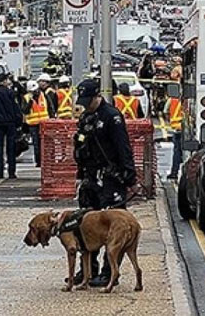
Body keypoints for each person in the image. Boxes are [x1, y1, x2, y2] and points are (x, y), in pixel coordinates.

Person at [73, 79, 137, 287]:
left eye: (88, 100)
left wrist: (129, 175)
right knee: (86, 225)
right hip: (90, 178)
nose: (85, 105)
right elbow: (81, 147)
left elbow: (123, 147)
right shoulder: (85, 117)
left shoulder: (112, 117)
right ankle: (88, 272)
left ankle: (111, 274)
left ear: (97, 96)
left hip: (110, 178)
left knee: (113, 227)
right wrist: (80, 175)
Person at [23, 79, 53, 166]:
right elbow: (25, 111)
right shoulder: (26, 98)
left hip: (44, 123)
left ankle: (46, 160)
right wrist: (30, 102)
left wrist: (52, 118)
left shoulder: (44, 96)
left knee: (45, 143)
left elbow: (50, 107)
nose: (34, 92)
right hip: (33, 124)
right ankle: (38, 161)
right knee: (36, 144)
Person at [165, 93, 184, 180]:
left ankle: (174, 172)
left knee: (177, 152)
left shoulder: (172, 100)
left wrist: (170, 121)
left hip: (176, 129)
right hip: (186, 129)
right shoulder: (188, 100)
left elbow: (165, 111)